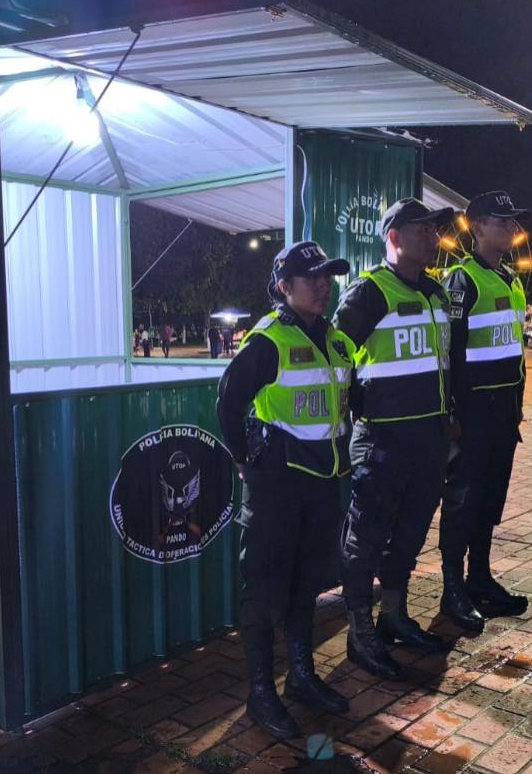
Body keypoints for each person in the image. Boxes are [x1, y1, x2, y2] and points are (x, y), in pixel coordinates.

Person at [216, 241, 356, 739]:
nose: (323, 285)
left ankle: (301, 676)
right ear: (284, 286)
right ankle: (260, 692)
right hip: (278, 486)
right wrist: (244, 459)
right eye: (310, 277)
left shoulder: (336, 340)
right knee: (264, 589)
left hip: (322, 485)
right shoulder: (269, 341)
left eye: (328, 277)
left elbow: (347, 403)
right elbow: (229, 400)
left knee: (305, 586)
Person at [333, 198, 453, 680]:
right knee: (364, 540)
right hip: (382, 440)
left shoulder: (435, 293)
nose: (433, 237)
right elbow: (336, 359)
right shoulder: (369, 293)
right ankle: (360, 631)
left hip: (430, 438)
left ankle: (395, 616)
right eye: (422, 229)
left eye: (434, 230)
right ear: (394, 237)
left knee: (410, 533)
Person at [439, 191, 531, 633]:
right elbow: (449, 352)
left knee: (490, 499)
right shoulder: (462, 280)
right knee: (462, 502)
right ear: (476, 228)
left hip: (503, 413)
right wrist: (453, 414)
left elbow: (512, 349)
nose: (510, 227)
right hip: (472, 414)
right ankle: (452, 589)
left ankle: (480, 577)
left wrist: (517, 407)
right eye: (500, 220)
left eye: (512, 221)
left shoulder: (511, 280)